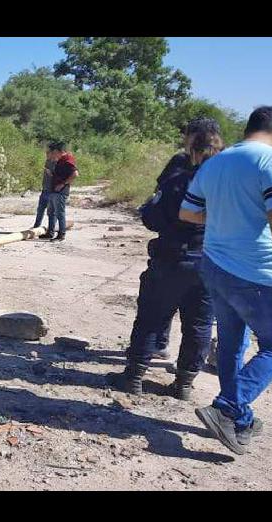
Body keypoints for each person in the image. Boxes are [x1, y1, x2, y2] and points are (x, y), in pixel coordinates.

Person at [179, 106, 272, 455]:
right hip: (259, 274)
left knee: (231, 344)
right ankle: (227, 406)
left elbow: (188, 212)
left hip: (215, 268)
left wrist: (228, 216)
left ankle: (238, 418)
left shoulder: (216, 162)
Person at [108, 130, 223, 400]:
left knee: (152, 317)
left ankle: (134, 377)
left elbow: (151, 217)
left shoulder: (180, 182)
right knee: (199, 325)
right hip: (211, 263)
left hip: (172, 259)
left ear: (193, 151)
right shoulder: (228, 188)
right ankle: (184, 384)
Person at [149, 118, 224, 360]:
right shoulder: (225, 167)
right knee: (199, 318)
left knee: (159, 305)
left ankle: (149, 358)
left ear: (192, 137)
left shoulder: (183, 165)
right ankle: (185, 376)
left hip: (178, 246)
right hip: (210, 253)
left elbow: (158, 202)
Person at [43, 141, 78, 241]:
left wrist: (63, 184)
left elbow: (75, 174)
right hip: (54, 190)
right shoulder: (60, 160)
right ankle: (50, 232)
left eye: (53, 152)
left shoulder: (68, 160)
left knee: (59, 213)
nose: (52, 155)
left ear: (57, 151)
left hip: (61, 191)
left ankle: (61, 234)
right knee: (51, 212)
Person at [32, 152, 56, 231]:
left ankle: (51, 229)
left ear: (53, 154)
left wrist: (51, 174)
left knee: (51, 212)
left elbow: (59, 177)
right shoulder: (47, 162)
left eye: (48, 153)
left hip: (52, 191)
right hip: (44, 190)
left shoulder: (57, 163)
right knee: (40, 209)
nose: (46, 155)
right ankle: (36, 226)